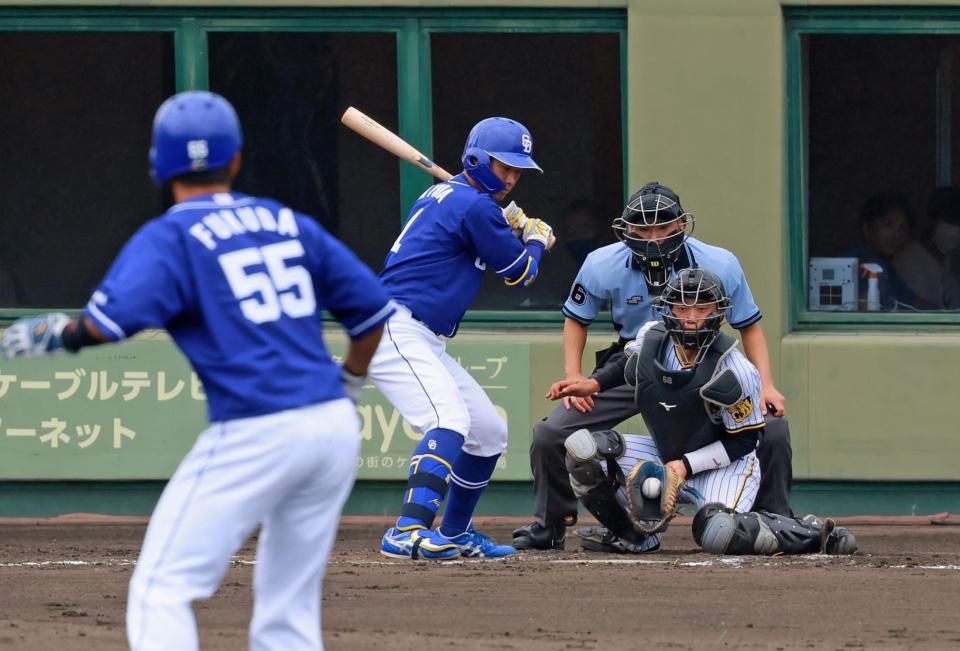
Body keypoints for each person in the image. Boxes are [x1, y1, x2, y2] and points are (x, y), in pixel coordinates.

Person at [1, 91, 395, 650]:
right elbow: (372, 314)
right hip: (331, 427)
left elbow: (107, 325)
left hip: (256, 428)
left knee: (162, 588)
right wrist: (350, 381)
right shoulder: (287, 221)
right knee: (289, 610)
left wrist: (60, 333)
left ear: (159, 168)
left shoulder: (171, 234)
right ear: (235, 160)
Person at [513, 181, 794, 551]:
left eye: (663, 226)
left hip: (705, 360)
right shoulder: (601, 263)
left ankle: (775, 518)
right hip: (632, 361)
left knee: (770, 429)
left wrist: (767, 385)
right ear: (626, 229)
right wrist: (575, 375)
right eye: (643, 228)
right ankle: (551, 524)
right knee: (552, 434)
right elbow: (576, 318)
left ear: (681, 225)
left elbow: (749, 326)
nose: (654, 237)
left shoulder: (720, 263)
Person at [547, 268, 856, 556]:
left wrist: (683, 467)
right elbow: (626, 363)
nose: (691, 318)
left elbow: (745, 442)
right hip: (664, 453)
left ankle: (814, 534)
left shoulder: (737, 370)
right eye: (682, 309)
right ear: (668, 310)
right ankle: (634, 535)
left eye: (701, 308)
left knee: (717, 531)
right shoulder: (651, 337)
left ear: (719, 311)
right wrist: (593, 383)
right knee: (583, 450)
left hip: (723, 466)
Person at [371, 117, 555, 560]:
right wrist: (535, 239)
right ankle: (407, 529)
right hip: (394, 325)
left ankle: (453, 533)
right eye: (503, 166)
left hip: (420, 333)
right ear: (476, 158)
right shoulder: (475, 206)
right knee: (449, 419)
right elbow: (520, 273)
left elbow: (479, 224)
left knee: (488, 431)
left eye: (517, 171)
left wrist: (504, 220)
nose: (511, 178)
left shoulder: (457, 196)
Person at [843, 192, 917, 310]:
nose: (896, 235)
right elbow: (866, 313)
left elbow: (913, 300)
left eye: (902, 228)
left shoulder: (885, 265)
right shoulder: (864, 263)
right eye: (887, 225)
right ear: (867, 228)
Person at [893, 186, 960, 310]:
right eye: (950, 221)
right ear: (931, 222)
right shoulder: (911, 262)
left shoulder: (941, 265)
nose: (956, 229)